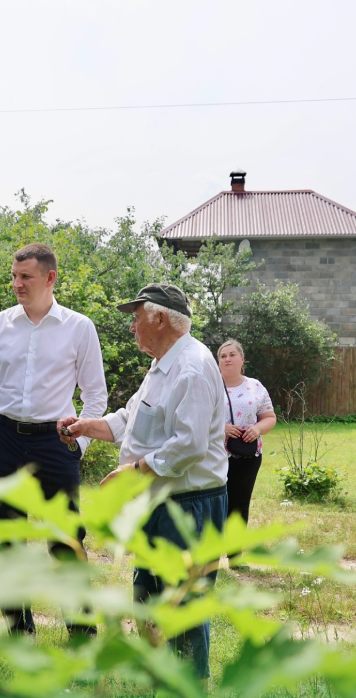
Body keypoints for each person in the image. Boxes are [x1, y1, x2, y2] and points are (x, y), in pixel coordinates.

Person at [57, 283, 227, 679]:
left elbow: (190, 445)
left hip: (190, 507)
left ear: (161, 319)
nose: (132, 328)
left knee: (181, 611)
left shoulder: (194, 366)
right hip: (158, 504)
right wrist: (86, 426)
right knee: (148, 599)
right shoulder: (161, 364)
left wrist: (132, 473)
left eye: (136, 319)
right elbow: (131, 419)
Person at [0, 243, 108, 638]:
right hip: (3, 438)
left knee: (66, 537)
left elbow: (96, 393)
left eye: (25, 276)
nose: (16, 283)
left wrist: (78, 443)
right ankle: (19, 633)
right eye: (13, 275)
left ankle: (82, 633)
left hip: (54, 442)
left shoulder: (79, 327)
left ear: (50, 278)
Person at [217, 339, 276, 526]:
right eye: (223, 356)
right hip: (214, 456)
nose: (227, 359)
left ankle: (235, 554)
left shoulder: (255, 386)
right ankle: (211, 553)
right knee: (215, 503)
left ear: (242, 359)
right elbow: (194, 417)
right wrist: (220, 428)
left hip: (247, 456)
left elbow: (270, 417)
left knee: (239, 505)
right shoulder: (209, 386)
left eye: (232, 355)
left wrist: (257, 428)